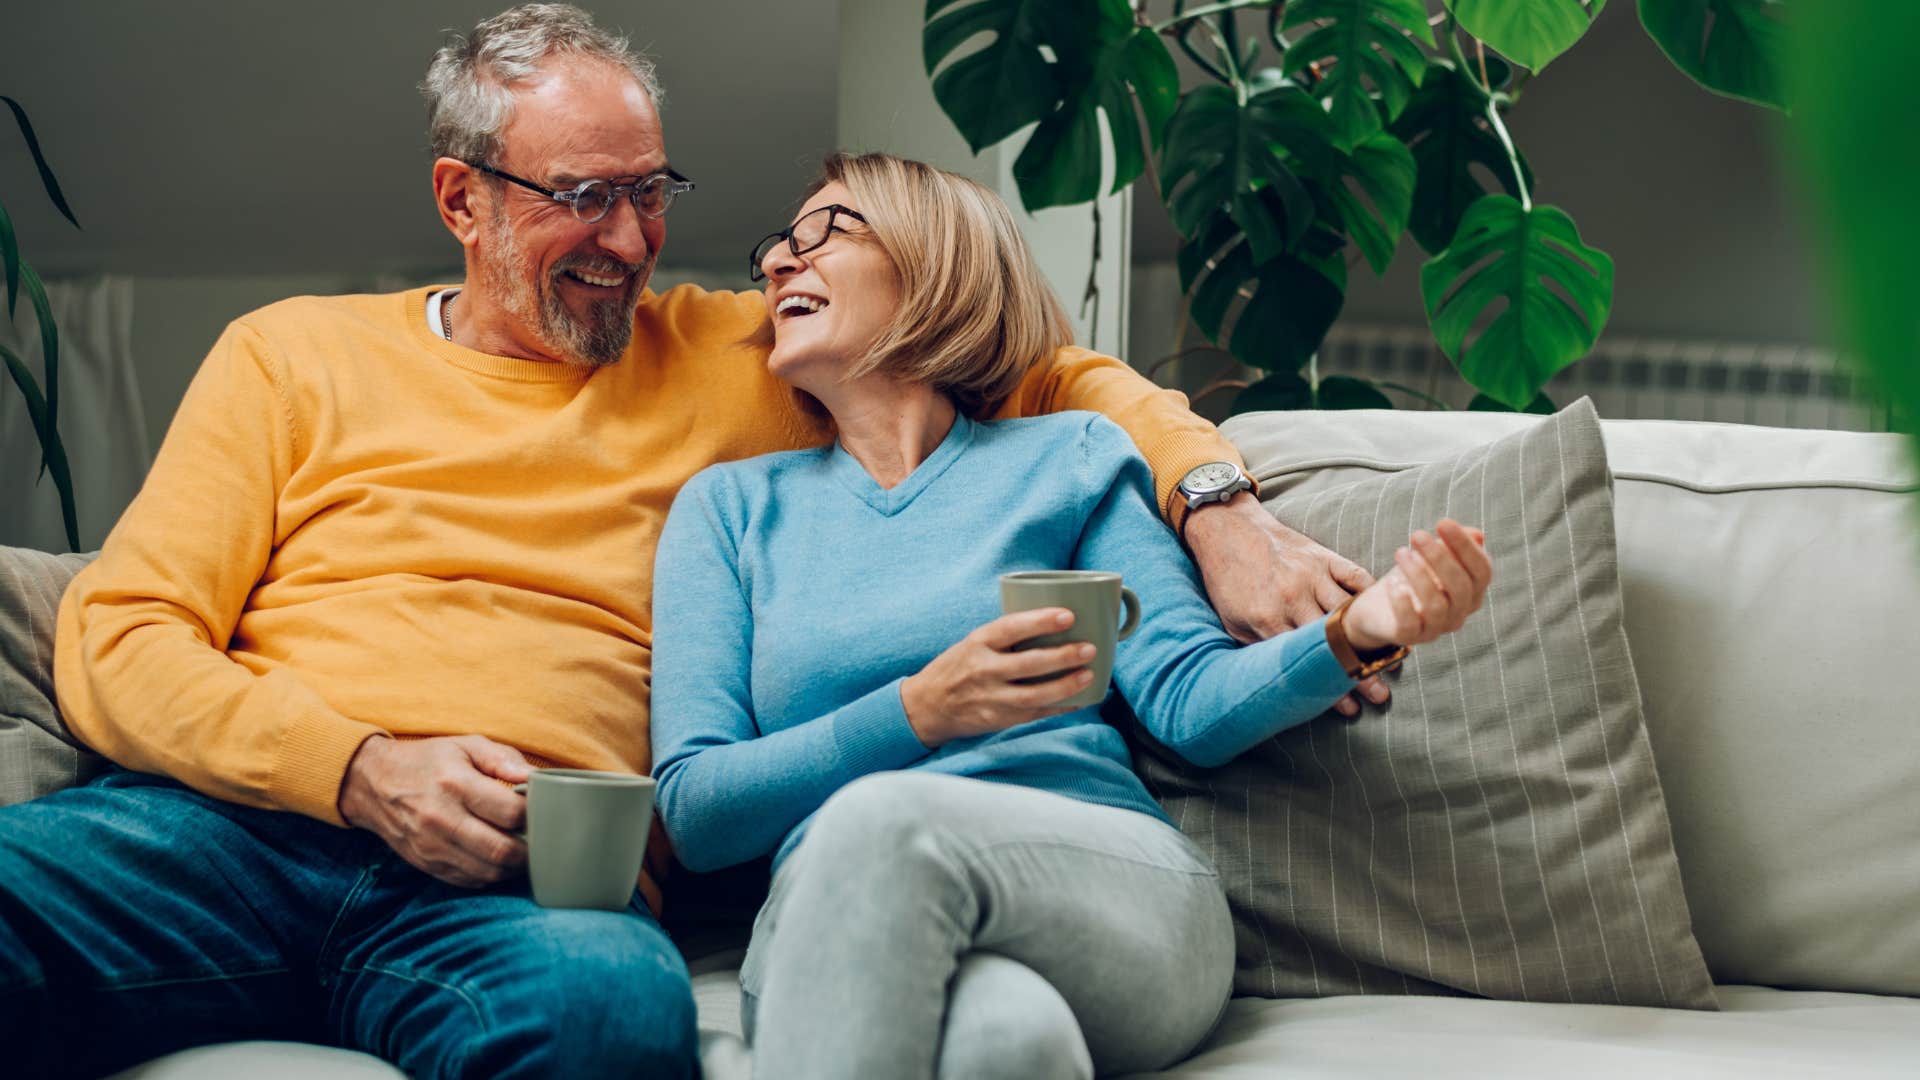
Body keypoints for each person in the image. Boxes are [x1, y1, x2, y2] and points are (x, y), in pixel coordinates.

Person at [0, 4, 1385, 1078]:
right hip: (230, 834)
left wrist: (1218, 506)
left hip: (533, 871)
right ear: (462, 200)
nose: (630, 239)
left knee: (609, 1017)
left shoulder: (748, 347)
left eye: (651, 191)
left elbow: (1052, 377)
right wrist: (354, 769)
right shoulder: (289, 357)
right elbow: (114, 639)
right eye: (580, 197)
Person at [648, 153, 1494, 1079]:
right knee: (1005, 1044)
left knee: (885, 821)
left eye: (829, 232)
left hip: (1100, 885)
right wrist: (922, 709)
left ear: (937, 263)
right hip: (834, 913)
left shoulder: (1069, 457)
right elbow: (695, 810)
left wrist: (1359, 630)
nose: (777, 264)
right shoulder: (727, 512)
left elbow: (1191, 701)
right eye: (781, 244)